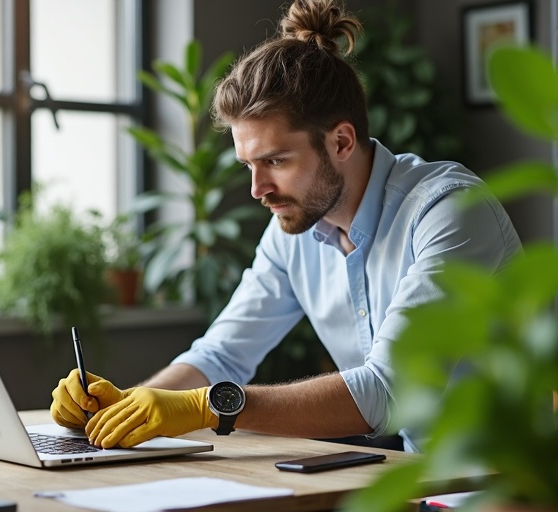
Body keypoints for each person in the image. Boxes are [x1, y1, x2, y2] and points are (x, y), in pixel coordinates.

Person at [49, 0, 521, 453]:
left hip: (513, 481)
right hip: (419, 475)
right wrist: (123, 408)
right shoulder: (292, 234)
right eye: (248, 165)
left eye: (275, 161)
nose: (258, 189)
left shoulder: (449, 211)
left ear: (341, 142)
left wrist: (208, 407)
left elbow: (387, 390)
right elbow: (220, 356)